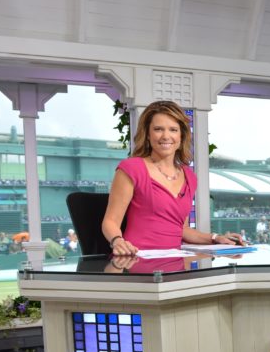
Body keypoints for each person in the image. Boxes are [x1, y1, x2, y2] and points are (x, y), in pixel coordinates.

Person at [102, 100, 243, 255]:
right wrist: (118, 241)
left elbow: (181, 229)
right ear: (148, 135)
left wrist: (216, 238)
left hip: (175, 261)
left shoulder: (189, 176)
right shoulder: (131, 168)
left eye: (173, 130)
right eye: (158, 129)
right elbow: (110, 221)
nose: (166, 136)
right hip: (137, 258)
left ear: (181, 136)